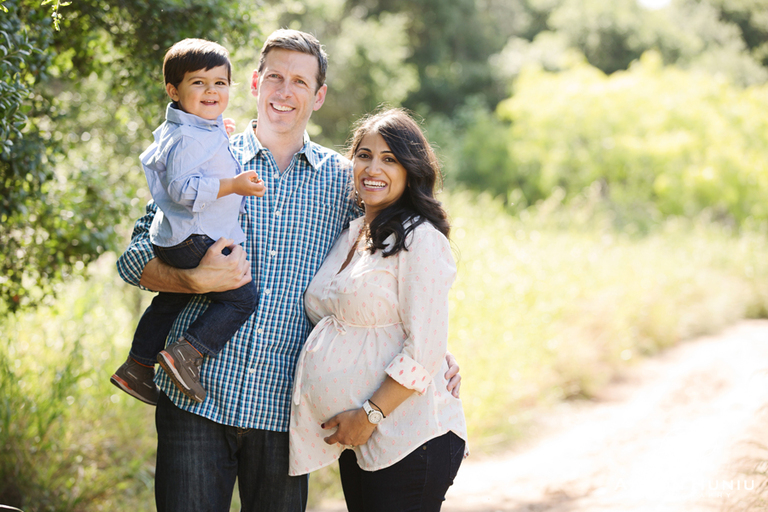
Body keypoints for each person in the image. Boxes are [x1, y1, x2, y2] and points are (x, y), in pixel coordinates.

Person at [116, 29, 461, 512]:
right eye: (274, 76)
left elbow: (388, 274)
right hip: (197, 402)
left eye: (300, 81)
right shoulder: (206, 159)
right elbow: (133, 258)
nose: (284, 91)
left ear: (318, 96)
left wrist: (433, 354)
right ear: (255, 83)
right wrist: (191, 281)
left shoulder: (345, 184)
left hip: (284, 412)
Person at [289, 108, 467, 511]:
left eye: (389, 159)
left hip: (410, 434)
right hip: (361, 440)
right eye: (364, 155)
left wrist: (368, 415)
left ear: (411, 170)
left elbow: (424, 347)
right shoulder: (354, 233)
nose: (373, 167)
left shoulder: (420, 238)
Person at [111, 38, 265, 406]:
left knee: (170, 300)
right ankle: (188, 354)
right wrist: (234, 185)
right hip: (193, 238)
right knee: (242, 299)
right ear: (173, 90)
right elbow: (182, 187)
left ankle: (137, 366)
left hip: (177, 237)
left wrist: (217, 133)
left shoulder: (198, 129)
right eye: (199, 82)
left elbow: (197, 153)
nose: (211, 90)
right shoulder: (188, 138)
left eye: (220, 83)